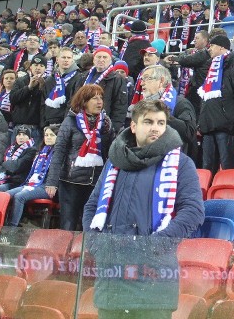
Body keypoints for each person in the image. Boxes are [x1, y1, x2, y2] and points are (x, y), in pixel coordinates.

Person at [82, 99, 204, 319]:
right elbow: (92, 206)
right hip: (111, 281)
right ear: (134, 126)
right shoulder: (114, 162)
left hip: (154, 283)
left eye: (161, 122)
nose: (155, 127)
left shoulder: (181, 163)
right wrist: (95, 243)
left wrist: (154, 246)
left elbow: (193, 211)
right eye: (148, 122)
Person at [46, 84, 114, 231]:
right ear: (84, 101)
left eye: (101, 97)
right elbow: (59, 152)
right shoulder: (70, 121)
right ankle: (66, 253)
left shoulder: (106, 123)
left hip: (95, 181)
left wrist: (109, 133)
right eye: (94, 98)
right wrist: (52, 182)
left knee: (89, 224)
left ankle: (86, 253)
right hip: (71, 181)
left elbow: (109, 152)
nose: (99, 101)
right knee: (68, 224)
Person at [197, 34, 234, 174]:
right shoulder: (210, 68)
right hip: (208, 127)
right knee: (207, 169)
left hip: (227, 125)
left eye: (212, 46)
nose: (209, 49)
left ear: (222, 47)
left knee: (228, 168)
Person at [133, 65, 198, 164]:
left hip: (174, 163)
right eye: (142, 79)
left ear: (161, 81)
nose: (142, 83)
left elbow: (189, 132)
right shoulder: (143, 106)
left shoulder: (180, 103)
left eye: (147, 78)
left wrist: (161, 115)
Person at [2, 125, 58, 227]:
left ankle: (11, 229)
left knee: (19, 196)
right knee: (6, 195)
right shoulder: (41, 151)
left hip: (47, 186)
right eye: (46, 135)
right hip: (32, 184)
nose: (48, 137)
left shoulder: (59, 153)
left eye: (52, 135)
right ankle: (2, 225)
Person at [69, 46, 128, 133]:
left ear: (110, 60)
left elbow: (120, 106)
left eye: (105, 57)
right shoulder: (83, 76)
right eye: (98, 57)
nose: (101, 59)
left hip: (102, 126)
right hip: (80, 123)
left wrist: (113, 128)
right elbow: (73, 99)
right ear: (93, 59)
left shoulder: (117, 79)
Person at [9, 54, 47, 142]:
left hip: (36, 128)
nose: (38, 68)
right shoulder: (20, 80)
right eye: (35, 65)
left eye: (41, 66)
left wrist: (42, 87)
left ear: (45, 69)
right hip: (19, 126)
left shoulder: (47, 82)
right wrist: (29, 87)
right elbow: (13, 99)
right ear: (30, 67)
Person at [43, 47, 81, 127]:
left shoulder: (79, 78)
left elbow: (74, 103)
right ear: (57, 59)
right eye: (63, 57)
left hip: (68, 122)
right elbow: (43, 102)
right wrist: (43, 124)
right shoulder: (50, 79)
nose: (66, 60)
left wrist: (67, 122)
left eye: (69, 58)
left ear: (72, 60)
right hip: (50, 122)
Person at [0, 127, 37, 191]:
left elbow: (16, 166)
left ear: (29, 137)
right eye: (19, 135)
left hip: (18, 183)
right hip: (7, 179)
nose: (21, 137)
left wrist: (2, 164)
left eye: (24, 135)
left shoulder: (32, 150)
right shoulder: (11, 149)